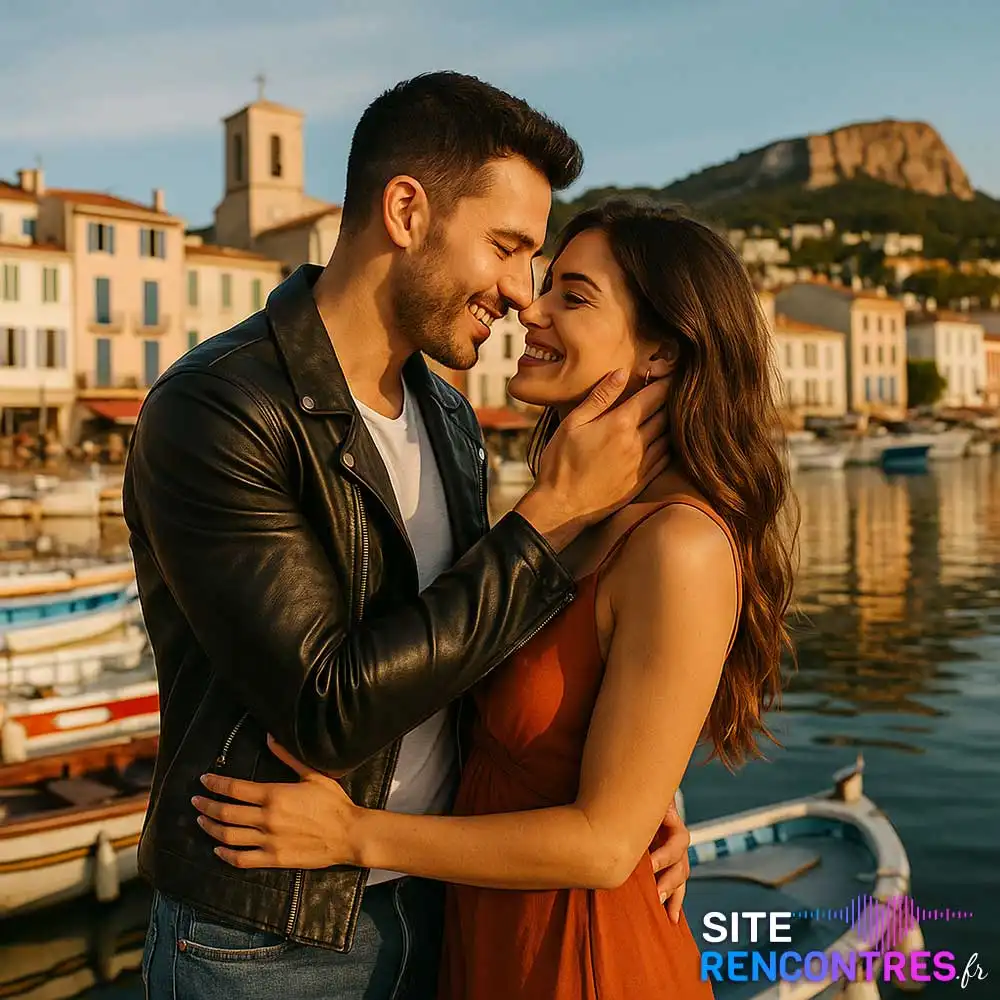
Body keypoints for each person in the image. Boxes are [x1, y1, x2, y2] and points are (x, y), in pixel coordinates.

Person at [124, 74, 691, 1000]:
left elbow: (465, 648)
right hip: (269, 933)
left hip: (443, 898)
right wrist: (544, 519)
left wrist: (623, 778)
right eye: (507, 248)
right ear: (405, 210)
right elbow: (326, 707)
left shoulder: (448, 415)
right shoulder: (220, 409)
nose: (520, 294)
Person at [194, 199, 798, 998]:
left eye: (572, 297)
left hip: (580, 955)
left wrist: (353, 834)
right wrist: (650, 783)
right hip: (488, 935)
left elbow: (603, 848)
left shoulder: (679, 546)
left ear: (661, 353)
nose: (530, 308)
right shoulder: (569, 520)